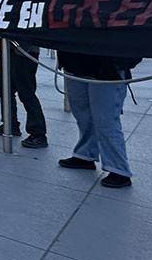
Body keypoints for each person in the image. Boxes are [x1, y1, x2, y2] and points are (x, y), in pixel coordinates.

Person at [57, 50, 139, 188]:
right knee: (83, 115)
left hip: (107, 69)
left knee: (106, 120)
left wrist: (122, 62)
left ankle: (119, 169)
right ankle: (85, 154)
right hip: (75, 63)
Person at [0, 0, 48, 148]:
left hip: (24, 51)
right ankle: (10, 122)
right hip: (7, 48)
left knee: (26, 92)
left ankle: (38, 133)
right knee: (2, 88)